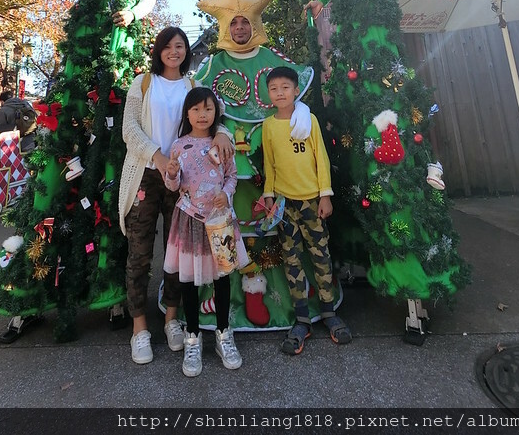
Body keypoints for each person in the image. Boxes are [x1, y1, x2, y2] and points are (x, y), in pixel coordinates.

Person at [0, 0, 167, 343]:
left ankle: (111, 295)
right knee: (57, 175)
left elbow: (149, 0)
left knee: (109, 171)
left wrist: (133, 14)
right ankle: (30, 294)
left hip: (118, 59)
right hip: (82, 67)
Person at [305, 0, 471, 315]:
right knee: (351, 145)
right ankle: (360, 254)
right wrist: (321, 2)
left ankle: (413, 276)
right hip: (346, 51)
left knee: (386, 142)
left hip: (374, 49)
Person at [194, 0, 344, 331]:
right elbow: (200, 107)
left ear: (254, 24)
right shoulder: (213, 66)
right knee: (233, 229)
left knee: (284, 237)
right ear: (225, 27)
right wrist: (220, 131)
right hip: (231, 171)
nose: (239, 28)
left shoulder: (272, 60)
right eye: (234, 23)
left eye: (245, 22)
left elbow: (295, 84)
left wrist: (301, 110)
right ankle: (238, 295)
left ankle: (297, 299)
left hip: (281, 174)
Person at [119, 27, 234, 365]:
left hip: (185, 184)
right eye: (168, 46)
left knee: (178, 253)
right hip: (146, 174)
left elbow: (213, 116)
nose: (174, 51)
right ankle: (140, 328)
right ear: (159, 50)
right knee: (139, 252)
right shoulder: (142, 84)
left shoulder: (191, 84)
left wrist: (223, 133)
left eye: (180, 46)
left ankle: (172, 318)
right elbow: (129, 129)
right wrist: (156, 156)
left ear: (186, 51)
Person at [261, 67, 351, 355]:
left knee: (321, 256)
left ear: (296, 90)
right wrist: (269, 197)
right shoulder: (268, 126)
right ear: (268, 94)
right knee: (292, 260)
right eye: (274, 88)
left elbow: (321, 159)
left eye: (285, 87)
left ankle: (329, 312)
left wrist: (325, 195)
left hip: (312, 201)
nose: (280, 93)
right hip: (284, 205)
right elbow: (269, 165)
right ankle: (301, 319)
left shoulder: (308, 119)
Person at [163, 86, 248, 377]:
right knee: (188, 280)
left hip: (220, 221)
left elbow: (232, 175)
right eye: (196, 109)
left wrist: (226, 193)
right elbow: (173, 186)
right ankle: (192, 336)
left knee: (222, 277)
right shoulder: (178, 146)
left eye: (208, 109)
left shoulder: (222, 143)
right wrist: (171, 173)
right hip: (189, 220)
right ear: (187, 114)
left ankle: (223, 333)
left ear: (216, 112)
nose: (202, 114)